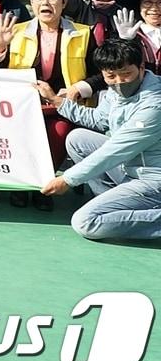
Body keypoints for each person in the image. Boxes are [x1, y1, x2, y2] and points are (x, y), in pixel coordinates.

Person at [37, 38, 161, 241]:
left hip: (154, 179)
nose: (119, 81)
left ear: (141, 67)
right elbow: (99, 119)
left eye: (126, 74)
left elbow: (116, 150)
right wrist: (56, 101)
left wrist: (68, 179)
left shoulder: (155, 104)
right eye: (111, 76)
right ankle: (115, 203)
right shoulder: (116, 92)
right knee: (77, 139)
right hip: (132, 168)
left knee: (86, 222)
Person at [0, 0, 95, 199]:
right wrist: (0, 47)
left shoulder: (83, 33)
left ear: (64, 2)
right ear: (31, 2)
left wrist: (77, 88)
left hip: (63, 106)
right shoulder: (15, 31)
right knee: (22, 136)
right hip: (22, 107)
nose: (45, 3)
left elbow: (99, 74)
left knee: (59, 132)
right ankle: (21, 186)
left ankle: (43, 188)